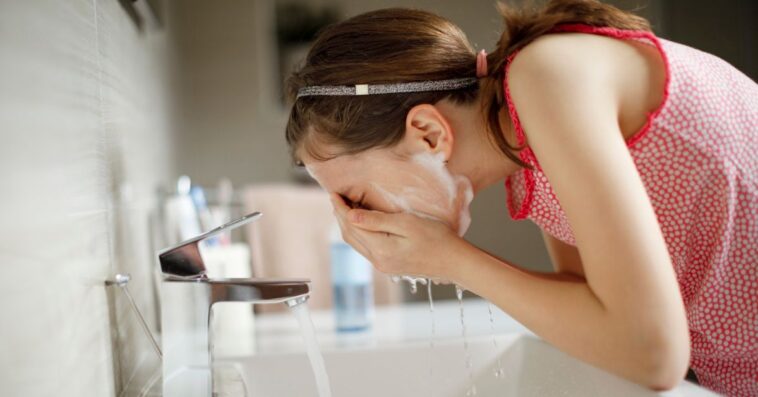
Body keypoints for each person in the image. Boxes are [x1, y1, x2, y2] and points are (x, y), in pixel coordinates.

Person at [284, 1, 758, 395]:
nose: (355, 222)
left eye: (355, 197)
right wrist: (450, 259)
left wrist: (453, 261)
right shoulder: (524, 157)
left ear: (427, 134)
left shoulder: (548, 78)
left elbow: (652, 355)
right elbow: (596, 316)